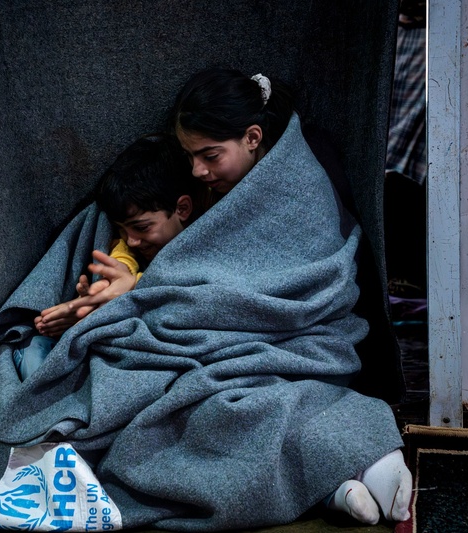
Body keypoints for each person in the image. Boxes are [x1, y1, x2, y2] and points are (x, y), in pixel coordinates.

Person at [170, 66, 412, 525]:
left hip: (304, 339)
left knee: (249, 400)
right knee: (211, 402)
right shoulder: (211, 189)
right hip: (227, 344)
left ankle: (355, 465)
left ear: (253, 138)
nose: (198, 170)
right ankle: (335, 484)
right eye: (190, 156)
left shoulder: (300, 178)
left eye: (210, 155)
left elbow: (320, 275)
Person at [17, 135, 200, 378]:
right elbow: (122, 250)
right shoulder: (127, 240)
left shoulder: (208, 239)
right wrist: (110, 283)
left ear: (182, 209)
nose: (132, 240)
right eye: (122, 229)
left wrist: (134, 287)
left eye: (142, 227)